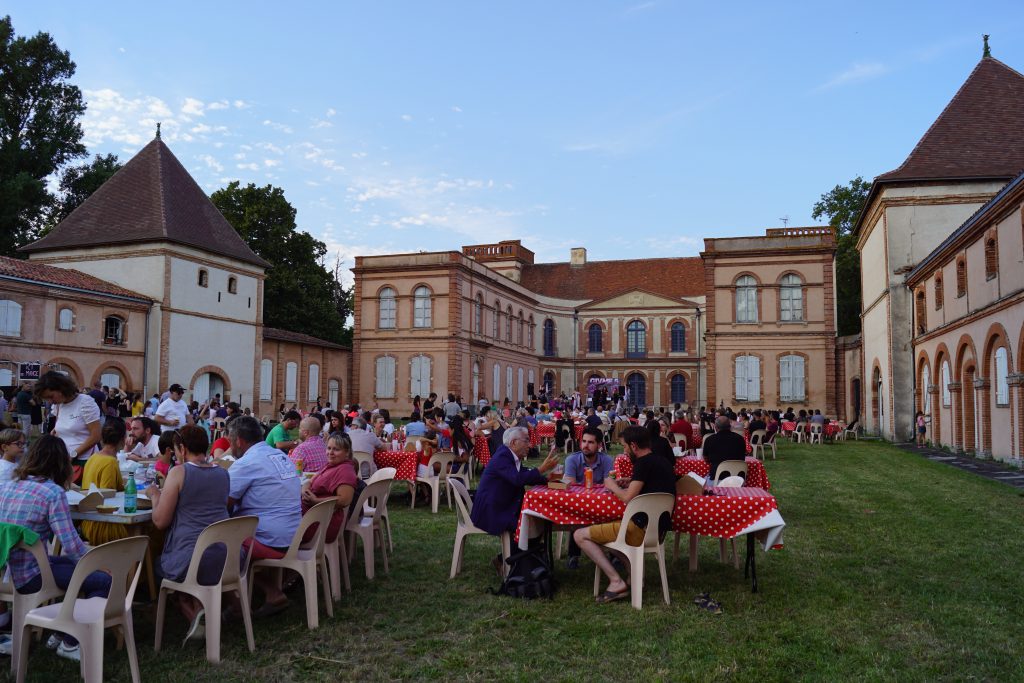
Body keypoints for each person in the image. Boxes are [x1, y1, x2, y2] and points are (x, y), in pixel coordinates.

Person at [0, 435, 111, 661]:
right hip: (32, 575)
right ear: (61, 463)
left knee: (67, 564)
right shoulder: (52, 493)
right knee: (102, 580)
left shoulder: (9, 486)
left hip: (8, 570)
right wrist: (100, 564)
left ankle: (60, 634)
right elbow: (71, 546)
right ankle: (69, 641)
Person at [146, 425, 230, 642]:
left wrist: (155, 495)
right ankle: (201, 610)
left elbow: (160, 522)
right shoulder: (222, 473)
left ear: (182, 449)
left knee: (159, 565)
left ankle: (196, 616)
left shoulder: (179, 472)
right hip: (224, 557)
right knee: (184, 563)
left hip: (191, 559)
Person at [574, 426, 675, 603]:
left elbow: (628, 497)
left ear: (634, 446)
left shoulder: (643, 464)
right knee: (609, 531)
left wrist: (611, 485)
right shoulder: (662, 461)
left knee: (579, 535)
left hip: (637, 530)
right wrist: (632, 480)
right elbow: (654, 484)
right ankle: (634, 574)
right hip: (657, 531)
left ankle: (616, 581)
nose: (625, 451)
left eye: (625, 447)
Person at [226, 416, 301, 616]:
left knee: (220, 541)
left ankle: (236, 603)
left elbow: (223, 504)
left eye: (229, 441)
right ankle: (269, 590)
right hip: (295, 535)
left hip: (272, 541)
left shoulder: (246, 463)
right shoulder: (280, 456)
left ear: (238, 441)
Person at [470, 427, 558, 568]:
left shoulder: (509, 455)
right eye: (526, 440)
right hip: (492, 511)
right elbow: (517, 479)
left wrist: (546, 478)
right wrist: (541, 469)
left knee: (537, 521)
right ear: (513, 442)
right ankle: (508, 561)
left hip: (501, 505)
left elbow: (522, 475)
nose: (530, 445)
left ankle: (517, 559)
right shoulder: (502, 457)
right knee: (531, 522)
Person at [562, 428, 615, 569]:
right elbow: (570, 486)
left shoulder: (607, 460)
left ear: (599, 445)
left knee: (614, 513)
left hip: (601, 505)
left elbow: (610, 486)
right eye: (584, 441)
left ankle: (614, 554)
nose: (586, 445)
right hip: (578, 504)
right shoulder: (572, 459)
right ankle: (573, 555)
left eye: (590, 442)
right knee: (577, 512)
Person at [300, 431, 359, 547]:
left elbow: (344, 500)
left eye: (336, 449)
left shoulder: (345, 471)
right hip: (313, 517)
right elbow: (309, 481)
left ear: (347, 453)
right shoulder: (330, 465)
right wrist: (304, 491)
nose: (330, 453)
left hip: (322, 524)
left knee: (278, 529)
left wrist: (315, 501)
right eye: (328, 448)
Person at [34, 371, 101, 469]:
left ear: (61, 389)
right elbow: (58, 429)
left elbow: (96, 436)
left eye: (51, 396)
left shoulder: (85, 402)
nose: (50, 401)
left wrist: (74, 454)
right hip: (64, 459)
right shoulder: (58, 406)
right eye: (46, 398)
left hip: (85, 460)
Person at [80, 417, 128, 544]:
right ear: (123, 439)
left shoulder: (93, 457)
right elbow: (108, 499)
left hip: (88, 520)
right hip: (102, 525)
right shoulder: (110, 462)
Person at [702, 415, 746, 482]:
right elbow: (742, 457)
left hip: (716, 478)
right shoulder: (740, 439)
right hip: (738, 478)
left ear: (716, 427)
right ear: (730, 427)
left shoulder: (709, 440)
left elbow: (706, 458)